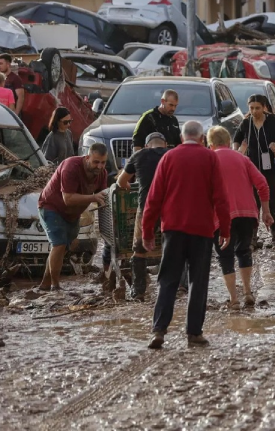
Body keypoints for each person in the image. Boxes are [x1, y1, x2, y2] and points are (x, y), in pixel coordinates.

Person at [143, 121, 230, 349]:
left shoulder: (169, 158)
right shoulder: (210, 158)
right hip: (201, 230)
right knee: (197, 282)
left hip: (172, 229)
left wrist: (147, 231)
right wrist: (225, 229)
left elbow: (153, 198)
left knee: (168, 280)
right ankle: (193, 333)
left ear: (182, 138)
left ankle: (159, 331)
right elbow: (220, 197)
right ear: (202, 139)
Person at [206, 126, 270, 309]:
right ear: (228, 142)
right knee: (243, 251)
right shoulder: (243, 159)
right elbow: (262, 184)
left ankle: (234, 299)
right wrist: (266, 211)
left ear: (211, 145)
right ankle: (248, 292)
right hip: (247, 214)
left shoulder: (209, 161)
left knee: (225, 256)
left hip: (221, 217)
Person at [36, 145, 109, 292]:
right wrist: (93, 197)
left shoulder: (102, 173)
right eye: (96, 162)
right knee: (59, 245)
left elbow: (103, 197)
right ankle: (55, 288)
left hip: (72, 214)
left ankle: (44, 285)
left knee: (62, 248)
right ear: (87, 158)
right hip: (51, 206)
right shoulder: (71, 166)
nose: (99, 166)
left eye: (103, 162)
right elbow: (68, 198)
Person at [116, 132, 170, 300]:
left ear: (147, 145)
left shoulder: (138, 155)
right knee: (174, 245)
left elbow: (120, 182)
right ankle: (179, 287)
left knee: (139, 248)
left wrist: (127, 186)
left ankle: (139, 291)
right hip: (170, 207)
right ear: (165, 144)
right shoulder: (171, 154)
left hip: (147, 206)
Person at [233, 94, 275, 247]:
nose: (254, 111)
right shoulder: (246, 123)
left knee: (271, 203)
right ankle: (253, 238)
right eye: (251, 108)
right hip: (252, 169)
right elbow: (236, 138)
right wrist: (236, 150)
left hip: (272, 168)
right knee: (253, 205)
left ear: (264, 107)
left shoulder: (274, 121)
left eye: (258, 108)